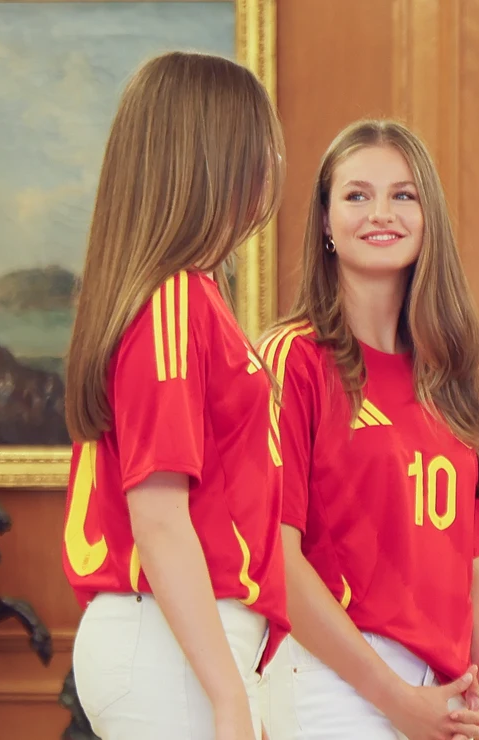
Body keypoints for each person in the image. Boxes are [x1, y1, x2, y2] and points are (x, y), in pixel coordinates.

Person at [61, 51, 288, 740]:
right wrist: (227, 699)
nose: (272, 162)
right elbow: (158, 515)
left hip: (179, 635)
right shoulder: (173, 302)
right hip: (171, 638)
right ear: (213, 158)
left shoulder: (189, 296)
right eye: (257, 145)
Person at [256, 119, 479, 740]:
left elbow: (468, 557)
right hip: (332, 684)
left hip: (444, 691)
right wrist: (396, 700)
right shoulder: (295, 358)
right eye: (357, 194)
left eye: (403, 194)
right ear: (324, 221)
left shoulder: (445, 369)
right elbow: (278, 560)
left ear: (428, 218)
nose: (381, 213)